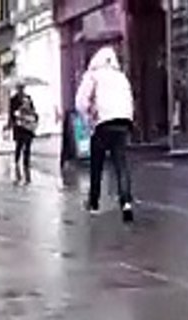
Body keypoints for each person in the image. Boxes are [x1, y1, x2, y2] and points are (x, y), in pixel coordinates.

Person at [75, 47, 135, 222]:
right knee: (121, 165)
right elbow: (129, 99)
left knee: (97, 164)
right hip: (122, 122)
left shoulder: (94, 75)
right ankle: (126, 203)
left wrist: (89, 114)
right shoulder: (121, 76)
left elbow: (80, 102)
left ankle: (94, 202)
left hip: (103, 123)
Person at [9, 83, 39, 185]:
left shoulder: (28, 98)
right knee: (19, 145)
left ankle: (26, 163)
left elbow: (33, 111)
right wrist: (14, 119)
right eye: (19, 88)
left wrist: (31, 116)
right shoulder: (13, 99)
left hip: (28, 126)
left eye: (22, 88)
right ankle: (17, 162)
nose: (21, 90)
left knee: (28, 146)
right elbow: (11, 113)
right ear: (17, 89)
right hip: (18, 127)